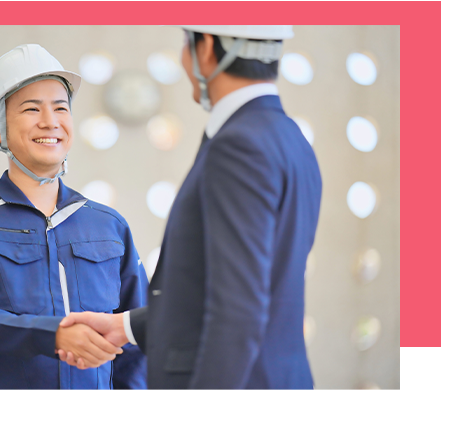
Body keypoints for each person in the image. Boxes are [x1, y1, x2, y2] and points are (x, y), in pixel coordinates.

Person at [58, 26, 322, 390]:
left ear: (207, 47)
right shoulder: (290, 138)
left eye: (186, 42)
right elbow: (239, 290)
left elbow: (237, 313)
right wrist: (125, 327)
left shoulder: (239, 145)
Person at [0, 44, 148, 390]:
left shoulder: (109, 226)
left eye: (60, 108)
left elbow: (137, 335)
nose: (50, 121)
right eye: (32, 109)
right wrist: (54, 335)